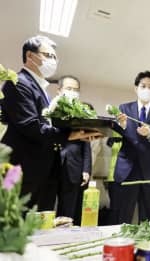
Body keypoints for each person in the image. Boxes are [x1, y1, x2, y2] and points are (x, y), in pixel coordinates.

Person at [0, 35, 100, 211]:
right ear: (30, 56)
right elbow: (31, 126)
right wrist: (70, 134)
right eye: (48, 55)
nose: (53, 61)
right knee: (17, 225)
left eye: (55, 57)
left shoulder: (42, 91)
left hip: (43, 169)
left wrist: (79, 129)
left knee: (40, 224)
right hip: (23, 168)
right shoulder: (18, 82)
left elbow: (48, 124)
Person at [110, 70, 150, 224]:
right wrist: (122, 126)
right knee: (122, 217)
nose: (147, 90)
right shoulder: (124, 108)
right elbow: (116, 133)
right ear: (136, 88)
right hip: (127, 170)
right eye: (143, 86)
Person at [56, 76, 92, 225]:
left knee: (70, 206)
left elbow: (86, 144)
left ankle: (67, 235)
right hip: (52, 164)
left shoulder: (81, 112)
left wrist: (86, 169)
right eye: (69, 89)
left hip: (74, 166)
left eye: (75, 90)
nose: (72, 92)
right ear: (59, 91)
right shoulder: (50, 109)